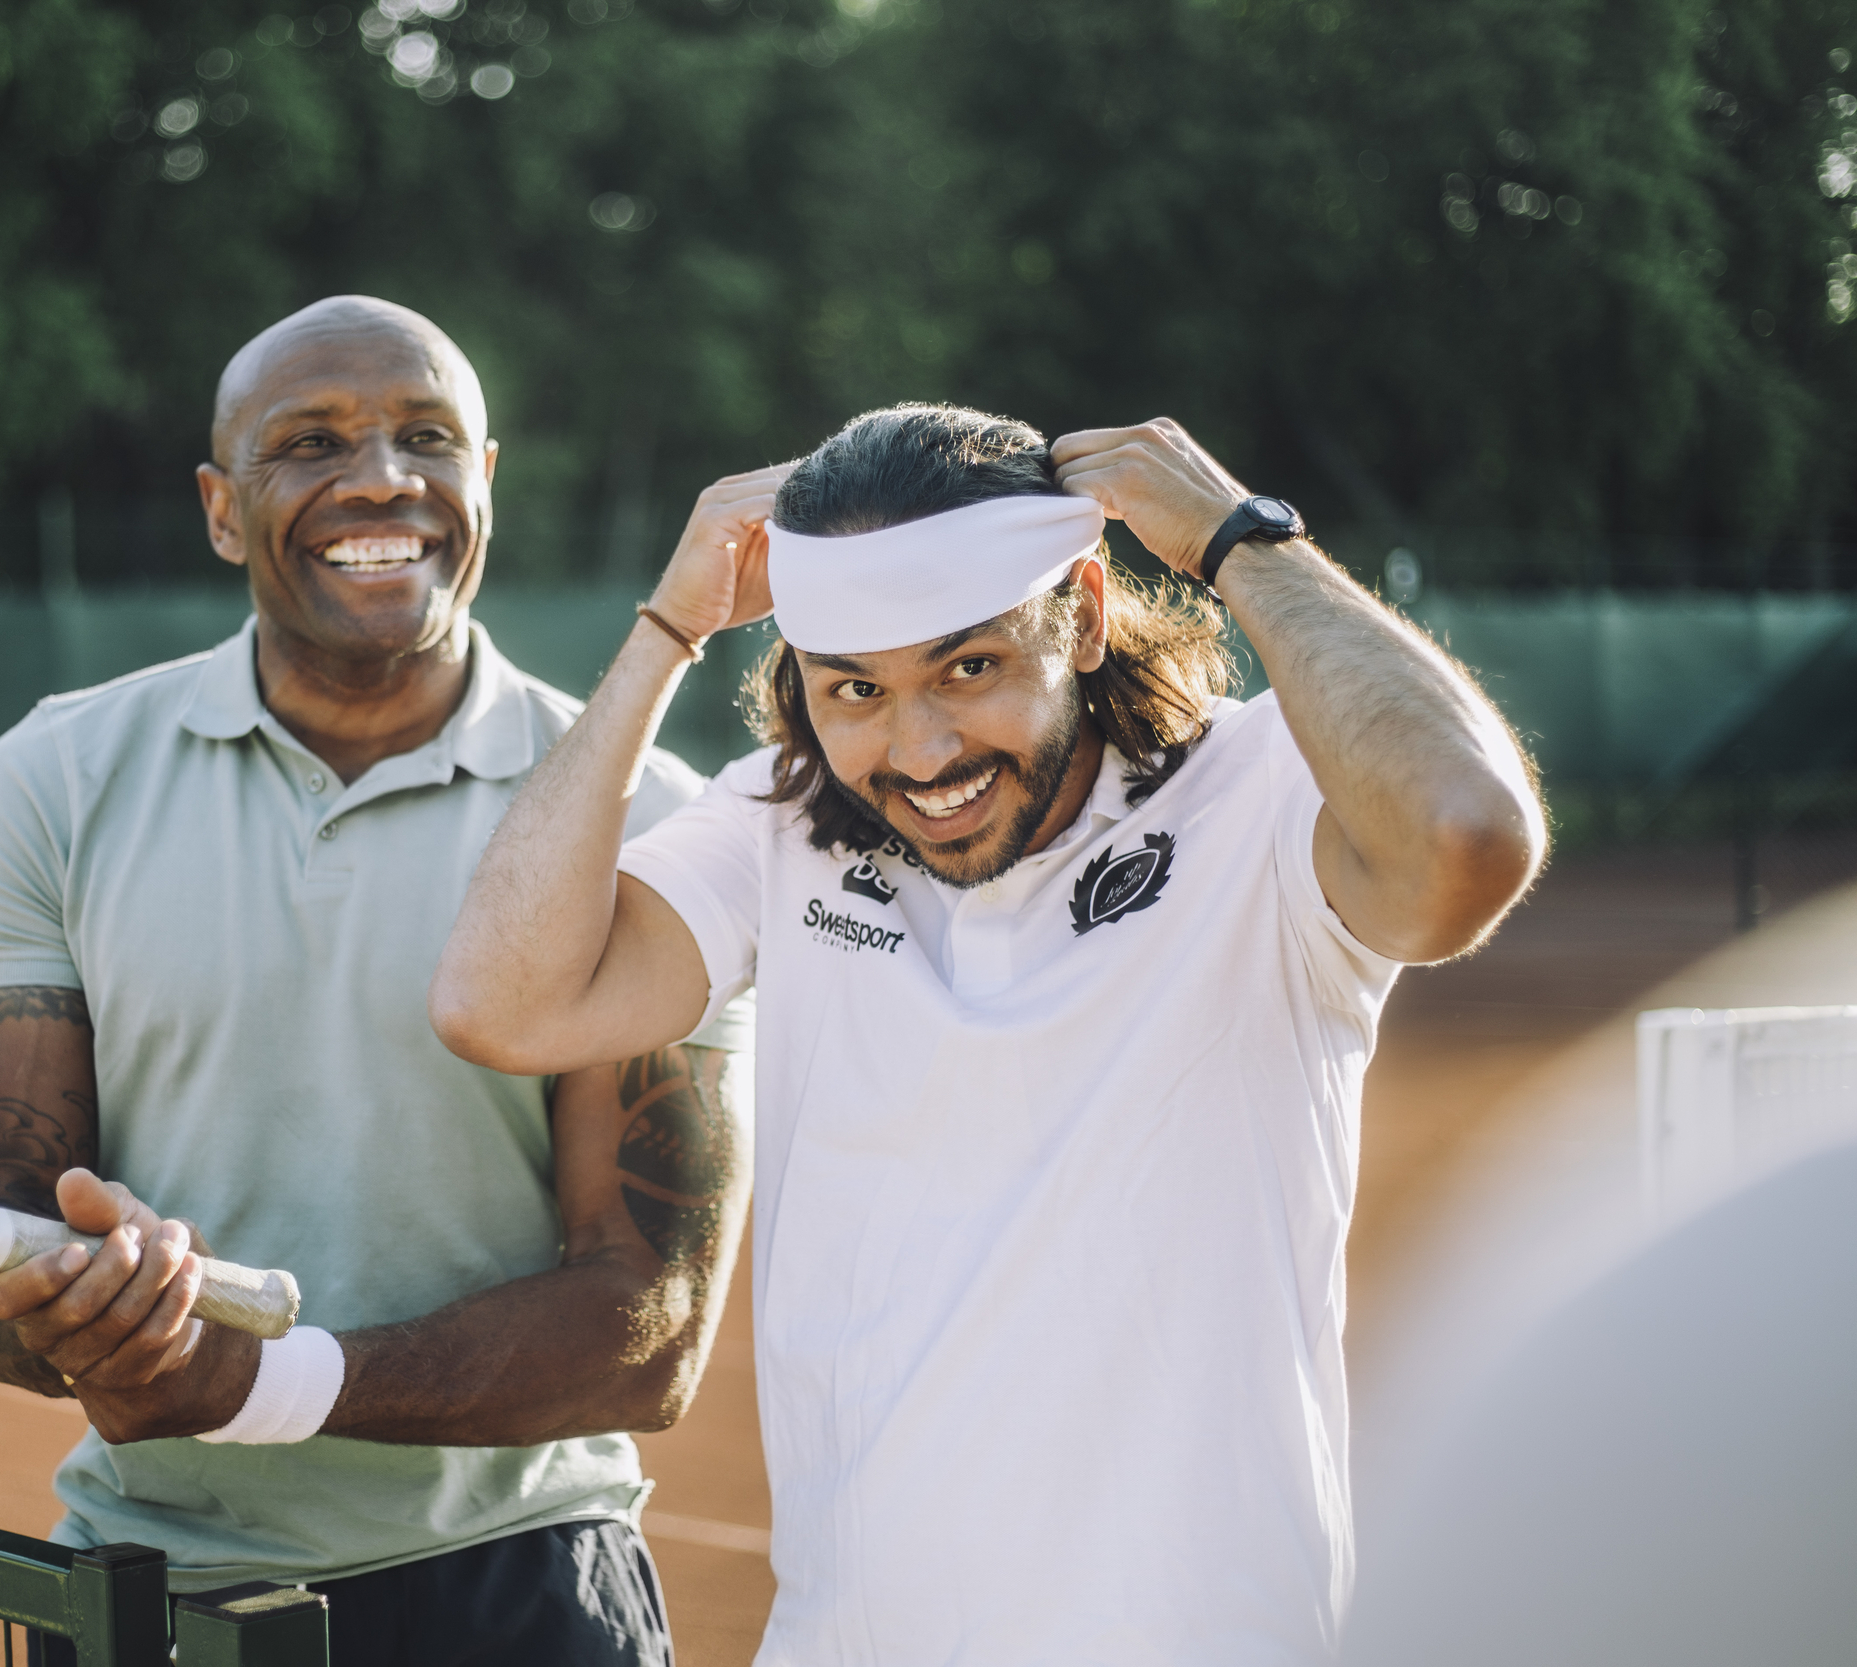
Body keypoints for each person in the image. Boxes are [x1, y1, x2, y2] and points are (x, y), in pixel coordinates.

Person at [431, 405, 1545, 1663]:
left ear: (1077, 609)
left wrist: (1240, 542)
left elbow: (1466, 841)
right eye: (854, 688)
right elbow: (500, 1001)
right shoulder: (778, 825)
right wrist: (667, 630)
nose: (919, 752)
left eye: (968, 667)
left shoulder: (1263, 795)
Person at [0, 295, 751, 1666]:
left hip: (527, 1590)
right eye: (311, 442)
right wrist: (88, 1313)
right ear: (220, 506)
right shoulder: (49, 782)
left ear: (484, 483)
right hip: (154, 1593)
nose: (380, 476)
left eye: (428, 435)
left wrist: (259, 1384)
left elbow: (647, 1327)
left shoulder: (646, 814)